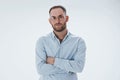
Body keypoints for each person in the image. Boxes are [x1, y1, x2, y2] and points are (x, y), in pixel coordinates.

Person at [35, 5, 86, 80]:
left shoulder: (78, 42)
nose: (57, 21)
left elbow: (79, 67)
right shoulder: (42, 41)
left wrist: (54, 61)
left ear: (67, 18)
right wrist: (69, 68)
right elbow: (40, 69)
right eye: (54, 18)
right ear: (50, 21)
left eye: (60, 17)